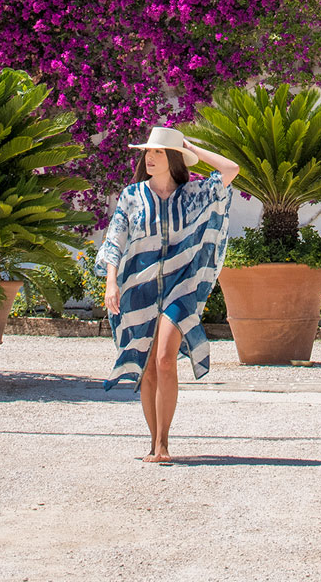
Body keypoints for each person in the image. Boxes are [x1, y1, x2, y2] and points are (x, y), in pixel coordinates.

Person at [96, 125, 239, 463]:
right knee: (147, 368)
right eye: (148, 151)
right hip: (138, 288)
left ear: (173, 157)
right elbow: (115, 240)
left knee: (164, 359)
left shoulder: (193, 194)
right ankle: (152, 441)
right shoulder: (132, 195)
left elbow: (230, 170)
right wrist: (111, 282)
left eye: (158, 151)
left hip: (181, 288)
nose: (150, 157)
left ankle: (164, 443)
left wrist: (190, 147)